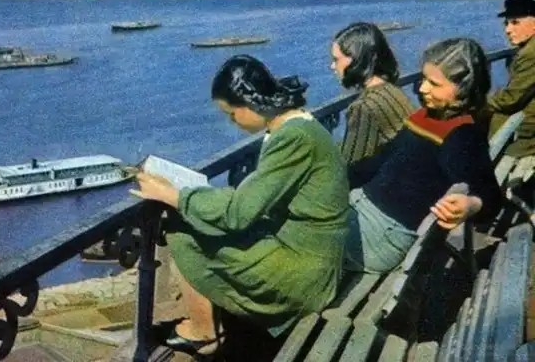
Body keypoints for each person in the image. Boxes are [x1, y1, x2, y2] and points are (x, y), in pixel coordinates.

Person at [130, 54, 350, 355]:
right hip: (315, 261)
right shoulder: (298, 125)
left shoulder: (293, 138)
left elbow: (238, 214)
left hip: (306, 278)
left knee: (181, 230)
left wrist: (173, 196)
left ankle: (204, 332)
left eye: (231, 114)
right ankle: (211, 323)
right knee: (204, 223)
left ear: (249, 104)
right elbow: (252, 200)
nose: (232, 122)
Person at [344, 38, 503, 274]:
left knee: (296, 229)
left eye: (434, 83)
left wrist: (472, 204)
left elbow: (491, 195)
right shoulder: (427, 116)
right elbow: (382, 161)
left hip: (380, 236)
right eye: (423, 79)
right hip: (366, 215)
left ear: (463, 88)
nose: (422, 88)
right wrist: (335, 176)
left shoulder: (462, 135)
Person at [331, 22, 415, 164]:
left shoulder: (364, 107)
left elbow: (351, 164)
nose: (332, 66)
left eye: (336, 60)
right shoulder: (392, 90)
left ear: (356, 60)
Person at [485, 0, 535, 158]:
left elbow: (510, 100)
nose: (507, 30)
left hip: (528, 133)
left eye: (515, 23)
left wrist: (479, 105)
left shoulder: (531, 54)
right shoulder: (528, 48)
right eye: (506, 23)